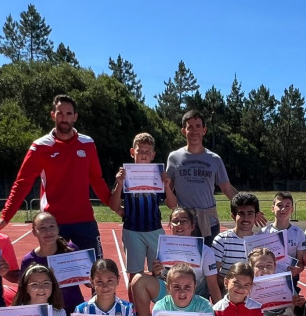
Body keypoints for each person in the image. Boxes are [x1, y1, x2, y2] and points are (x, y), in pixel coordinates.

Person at [0, 94, 112, 257]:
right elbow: (22, 183)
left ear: (75, 117)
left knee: (96, 273)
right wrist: (6, 216)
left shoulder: (88, 144)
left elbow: (97, 180)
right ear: (53, 115)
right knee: (57, 276)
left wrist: (114, 205)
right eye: (60, 113)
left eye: (69, 113)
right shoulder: (40, 147)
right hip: (53, 223)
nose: (64, 118)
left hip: (84, 220)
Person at [165, 109, 265, 245]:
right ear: (184, 131)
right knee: (185, 264)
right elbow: (168, 193)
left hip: (209, 222)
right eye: (190, 127)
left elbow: (227, 189)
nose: (194, 131)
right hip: (185, 224)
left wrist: (250, 207)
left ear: (204, 130)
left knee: (210, 263)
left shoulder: (214, 159)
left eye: (198, 126)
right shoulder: (174, 157)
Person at [130, 207, 222, 316]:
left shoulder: (206, 251)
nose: (179, 225)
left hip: (195, 295)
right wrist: (156, 272)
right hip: (172, 291)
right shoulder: (164, 248)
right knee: (138, 279)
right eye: (175, 221)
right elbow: (162, 279)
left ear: (192, 226)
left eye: (184, 221)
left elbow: (213, 285)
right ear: (169, 226)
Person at [109, 133, 178, 285]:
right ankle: (136, 308)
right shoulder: (125, 175)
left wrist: (167, 186)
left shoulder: (158, 175)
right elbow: (113, 205)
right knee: (134, 276)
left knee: (159, 273)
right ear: (132, 152)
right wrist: (119, 184)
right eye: (140, 151)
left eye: (148, 151)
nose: (144, 154)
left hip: (154, 229)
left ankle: (157, 308)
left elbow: (173, 205)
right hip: (132, 230)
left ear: (153, 155)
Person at [20, 211, 86, 314]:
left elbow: (86, 281)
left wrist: (89, 278)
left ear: (58, 229)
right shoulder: (29, 260)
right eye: (42, 228)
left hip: (73, 310)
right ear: (34, 232)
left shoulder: (71, 250)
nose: (48, 231)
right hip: (48, 314)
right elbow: (25, 292)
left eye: (52, 226)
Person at [247, 247, 305, 316]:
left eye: (269, 265)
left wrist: (298, 302)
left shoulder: (284, 281)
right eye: (260, 266)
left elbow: (295, 310)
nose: (265, 269)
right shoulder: (247, 285)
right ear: (251, 267)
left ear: (275, 266)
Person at [212, 192, 261, 291]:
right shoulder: (221, 240)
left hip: (254, 293)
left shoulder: (261, 242)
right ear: (233, 216)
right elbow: (213, 274)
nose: (246, 218)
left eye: (250, 213)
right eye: (241, 214)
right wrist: (234, 288)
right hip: (228, 294)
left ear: (256, 216)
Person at [257, 191, 306, 279]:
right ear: (272, 208)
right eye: (279, 205)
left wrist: (297, 269)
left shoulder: (298, 233)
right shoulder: (263, 232)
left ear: (292, 209)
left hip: (290, 279)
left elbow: (300, 263)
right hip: (268, 277)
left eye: (287, 206)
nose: (283, 209)